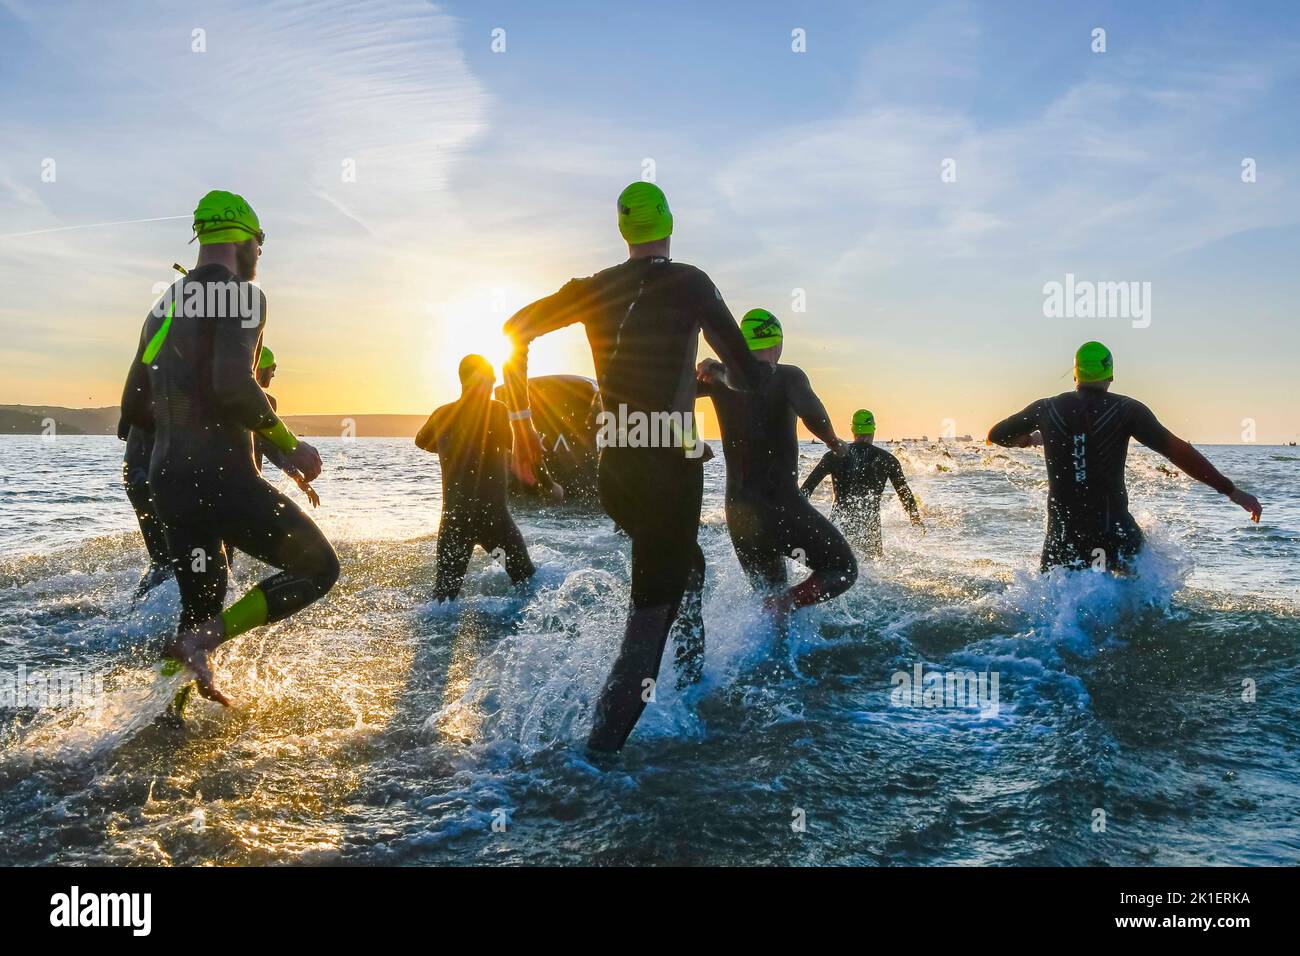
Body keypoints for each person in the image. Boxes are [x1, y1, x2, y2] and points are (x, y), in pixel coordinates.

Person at [502, 181, 762, 752]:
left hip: (615, 470)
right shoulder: (691, 283)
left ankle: (693, 684)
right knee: (646, 629)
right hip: (670, 468)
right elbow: (750, 375)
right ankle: (594, 763)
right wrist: (714, 376)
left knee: (686, 571)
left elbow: (514, 332)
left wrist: (523, 428)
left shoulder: (594, 288)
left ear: (624, 232)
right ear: (669, 222)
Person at [118, 190, 339, 704]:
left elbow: (133, 403)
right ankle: (203, 643)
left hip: (167, 481)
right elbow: (232, 385)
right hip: (220, 479)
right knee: (318, 568)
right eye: (259, 247)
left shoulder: (163, 307)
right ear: (246, 240)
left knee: (196, 607)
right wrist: (290, 445)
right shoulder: (241, 294)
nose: (258, 258)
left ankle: (160, 718)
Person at [986, 341, 1262, 572]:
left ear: (1075, 376)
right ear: (1111, 374)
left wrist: (1028, 439)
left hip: (1063, 536)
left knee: (1060, 616)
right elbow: (1178, 451)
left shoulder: (1045, 409)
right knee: (1132, 606)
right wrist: (1232, 491)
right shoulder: (1126, 410)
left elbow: (997, 434)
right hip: (1113, 532)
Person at [696, 308, 857, 624]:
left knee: (766, 598)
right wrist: (833, 441)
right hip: (780, 505)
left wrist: (688, 443)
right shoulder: (787, 376)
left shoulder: (717, 378)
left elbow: (670, 398)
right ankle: (787, 602)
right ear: (777, 341)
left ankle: (772, 649)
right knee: (842, 568)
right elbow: (812, 412)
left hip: (739, 513)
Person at [415, 354, 559, 602]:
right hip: (493, 521)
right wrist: (548, 484)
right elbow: (523, 452)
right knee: (526, 581)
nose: (493, 383)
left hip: (454, 522)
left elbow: (421, 441)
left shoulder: (442, 415)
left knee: (444, 597)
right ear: (476, 379)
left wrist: (452, 448)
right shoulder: (496, 411)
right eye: (490, 377)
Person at [801, 409, 924, 557]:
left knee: (837, 568)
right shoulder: (887, 459)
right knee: (872, 572)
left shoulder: (833, 456)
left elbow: (806, 490)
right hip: (870, 527)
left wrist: (798, 520)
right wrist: (915, 518)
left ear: (853, 429)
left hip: (840, 525)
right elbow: (904, 494)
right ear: (873, 428)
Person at [253, 346, 319, 507]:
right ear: (259, 371)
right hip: (246, 482)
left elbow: (266, 447)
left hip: (250, 480)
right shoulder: (263, 404)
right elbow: (269, 448)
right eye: (272, 368)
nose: (274, 373)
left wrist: (300, 482)